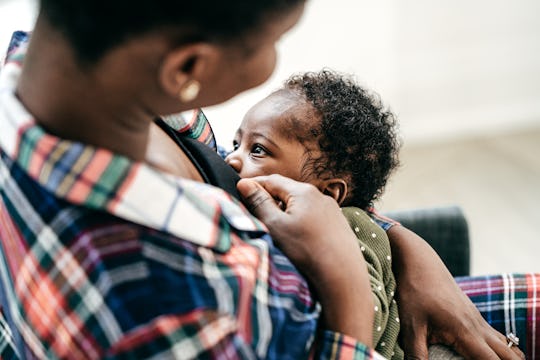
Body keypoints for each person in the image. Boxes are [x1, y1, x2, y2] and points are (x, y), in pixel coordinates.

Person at [0, 1, 532, 360]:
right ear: (187, 66)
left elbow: (314, 194)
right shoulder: (153, 305)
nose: (236, 159)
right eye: (277, 39)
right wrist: (344, 277)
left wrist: (404, 246)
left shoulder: (92, 95)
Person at [225, 69, 403, 359]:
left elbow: (369, 321)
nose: (231, 158)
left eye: (257, 149)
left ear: (327, 195)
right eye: (236, 144)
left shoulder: (351, 226)